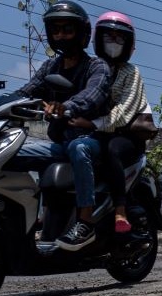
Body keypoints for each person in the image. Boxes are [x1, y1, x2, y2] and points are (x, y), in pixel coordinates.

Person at [14, 2, 112, 250]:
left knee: (79, 148)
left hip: (94, 140)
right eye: (56, 30)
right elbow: (26, 92)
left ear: (81, 32)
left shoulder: (96, 66)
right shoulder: (50, 67)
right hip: (61, 144)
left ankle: (85, 223)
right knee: (14, 152)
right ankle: (24, 220)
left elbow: (93, 95)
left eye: (67, 29)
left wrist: (65, 107)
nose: (61, 35)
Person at [74, 11, 150, 235]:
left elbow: (123, 114)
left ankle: (120, 209)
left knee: (111, 150)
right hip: (95, 131)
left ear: (129, 44)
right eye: (109, 37)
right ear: (98, 39)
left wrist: (92, 124)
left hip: (126, 135)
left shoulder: (131, 72)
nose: (113, 43)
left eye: (119, 38)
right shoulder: (90, 67)